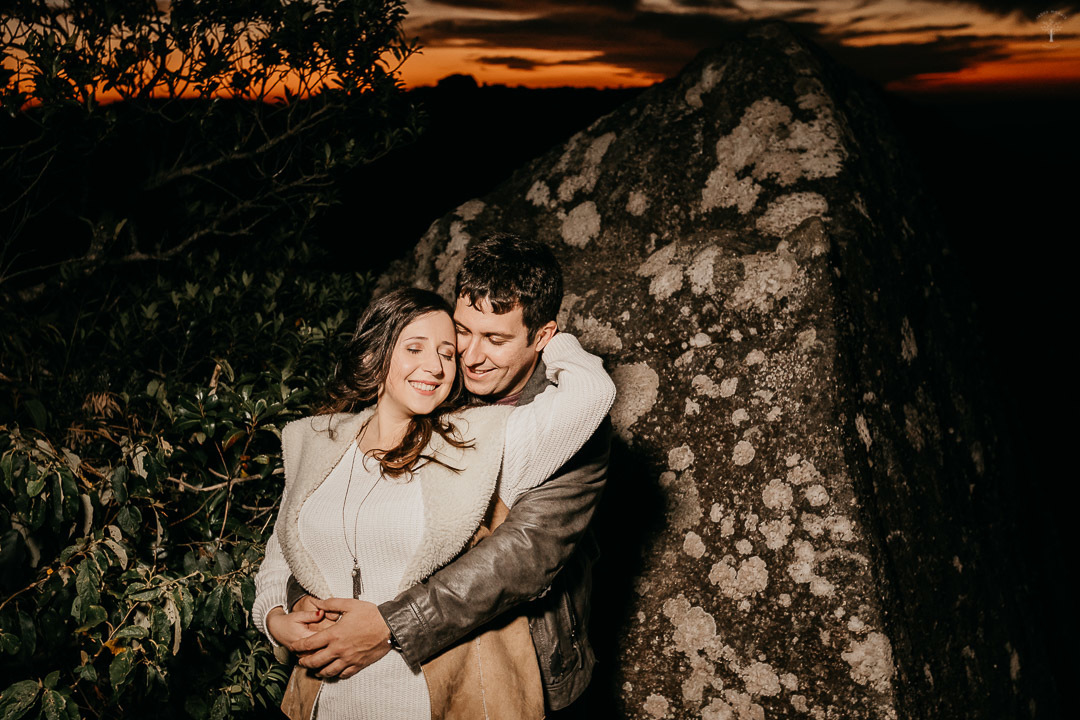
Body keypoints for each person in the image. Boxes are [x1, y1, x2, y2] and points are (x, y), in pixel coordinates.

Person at [252, 284, 615, 718]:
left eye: (447, 353)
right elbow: (280, 553)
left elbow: (591, 392)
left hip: (428, 698)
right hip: (326, 701)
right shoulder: (314, 440)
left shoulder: (480, 439)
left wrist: (551, 340)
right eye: (416, 348)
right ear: (376, 354)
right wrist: (275, 618)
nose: (436, 366)